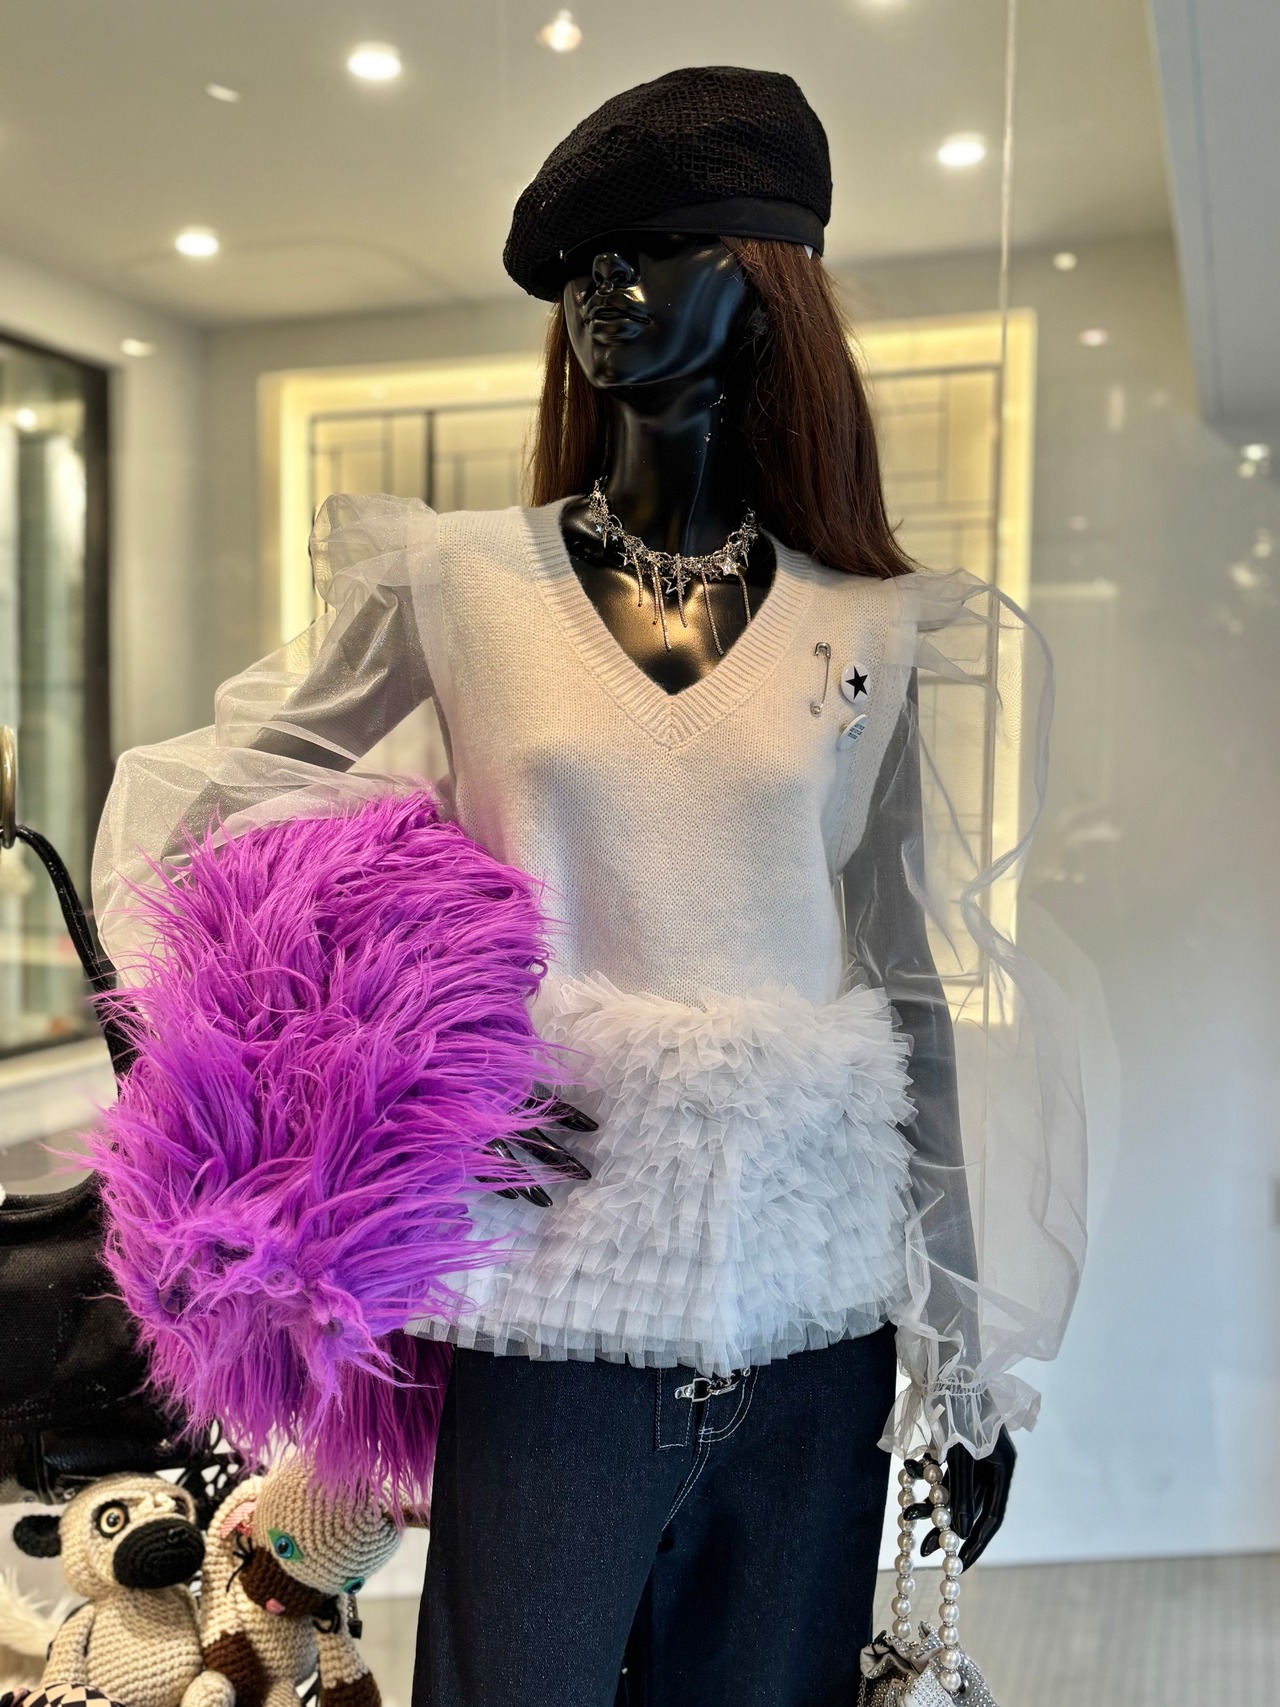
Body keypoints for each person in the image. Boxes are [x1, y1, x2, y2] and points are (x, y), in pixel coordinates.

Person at [94, 67, 1087, 1707]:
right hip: (552, 1295)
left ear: (764, 291)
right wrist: (403, 1078)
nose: (604, 295)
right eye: (583, 270)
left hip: (823, 1305)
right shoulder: (458, 581)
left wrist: (962, 1350)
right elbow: (203, 814)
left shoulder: (869, 625)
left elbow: (902, 969)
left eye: (654, 252)